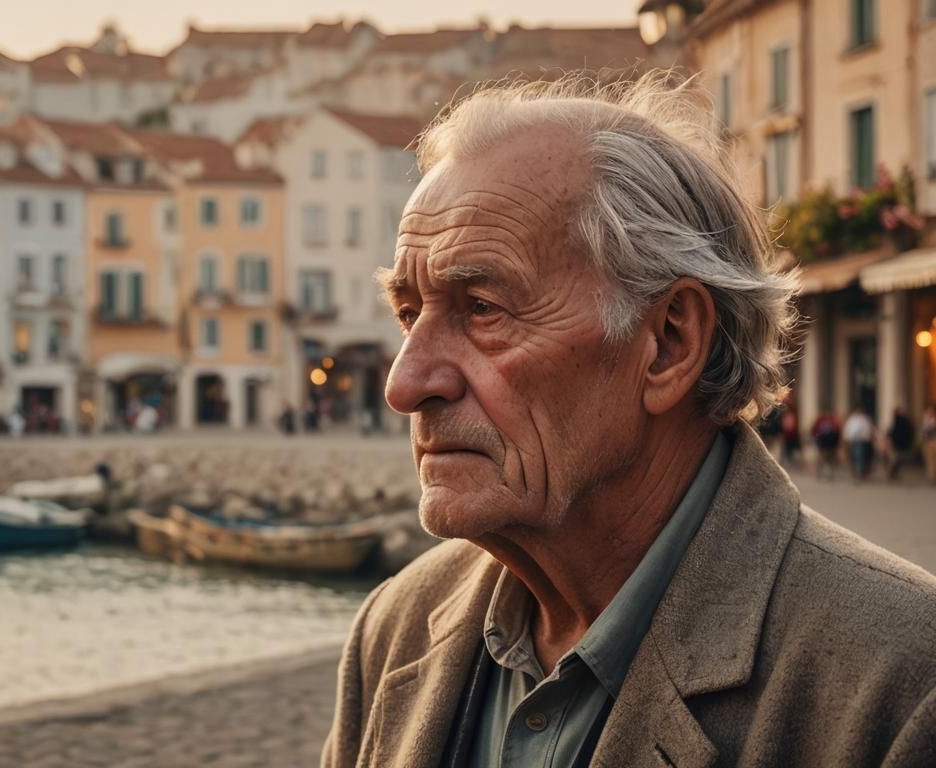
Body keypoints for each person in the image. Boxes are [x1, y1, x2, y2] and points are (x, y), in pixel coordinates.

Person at [322, 74, 936, 768]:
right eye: (409, 314)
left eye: (484, 308)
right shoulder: (395, 630)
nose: (405, 384)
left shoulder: (903, 685)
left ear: (669, 342)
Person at [842, 406, 876, 481]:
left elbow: (869, 429)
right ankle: (857, 471)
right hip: (853, 440)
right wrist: (846, 440)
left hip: (863, 440)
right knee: (855, 456)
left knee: (860, 456)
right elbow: (847, 430)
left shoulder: (864, 419)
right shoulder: (852, 420)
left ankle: (860, 472)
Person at [885, 405, 915, 480]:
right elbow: (892, 432)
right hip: (896, 444)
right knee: (894, 459)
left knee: (897, 460)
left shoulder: (903, 421)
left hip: (900, 444)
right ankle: (890, 474)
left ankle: (892, 474)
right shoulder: (898, 421)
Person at [811, 409, 841, 479]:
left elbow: (837, 432)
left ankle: (830, 474)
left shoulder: (833, 421)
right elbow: (813, 430)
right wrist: (817, 439)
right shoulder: (820, 421)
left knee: (830, 460)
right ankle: (819, 473)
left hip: (831, 445)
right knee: (822, 460)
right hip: (822, 444)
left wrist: (836, 443)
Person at [922, 403, 936, 484]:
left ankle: (933, 477)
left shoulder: (933, 421)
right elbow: (925, 432)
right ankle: (932, 477)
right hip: (928, 442)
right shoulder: (926, 420)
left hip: (934, 442)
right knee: (930, 461)